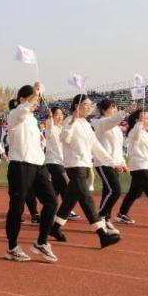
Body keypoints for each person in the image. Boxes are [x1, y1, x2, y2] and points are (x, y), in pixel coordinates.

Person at [48, 95, 123, 250]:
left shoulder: (87, 124)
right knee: (87, 200)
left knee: (70, 200)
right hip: (74, 166)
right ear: (77, 106)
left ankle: (54, 227)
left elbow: (96, 146)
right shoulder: (70, 121)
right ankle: (102, 234)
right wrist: (72, 122)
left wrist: (113, 163)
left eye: (90, 105)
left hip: (84, 166)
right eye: (87, 105)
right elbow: (64, 138)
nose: (90, 108)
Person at [4, 83, 58, 262]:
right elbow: (22, 112)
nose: (36, 103)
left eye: (37, 100)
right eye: (33, 99)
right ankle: (12, 247)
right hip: (20, 166)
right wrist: (35, 94)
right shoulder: (14, 114)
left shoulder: (34, 120)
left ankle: (41, 242)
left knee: (51, 201)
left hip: (38, 166)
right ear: (22, 99)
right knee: (17, 207)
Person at [93, 99, 137, 226]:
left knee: (108, 191)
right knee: (115, 190)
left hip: (115, 163)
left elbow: (117, 147)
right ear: (103, 110)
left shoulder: (116, 128)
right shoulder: (99, 123)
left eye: (116, 107)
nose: (115, 110)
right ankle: (100, 216)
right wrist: (127, 111)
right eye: (112, 107)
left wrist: (122, 162)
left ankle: (106, 219)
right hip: (103, 162)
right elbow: (111, 121)